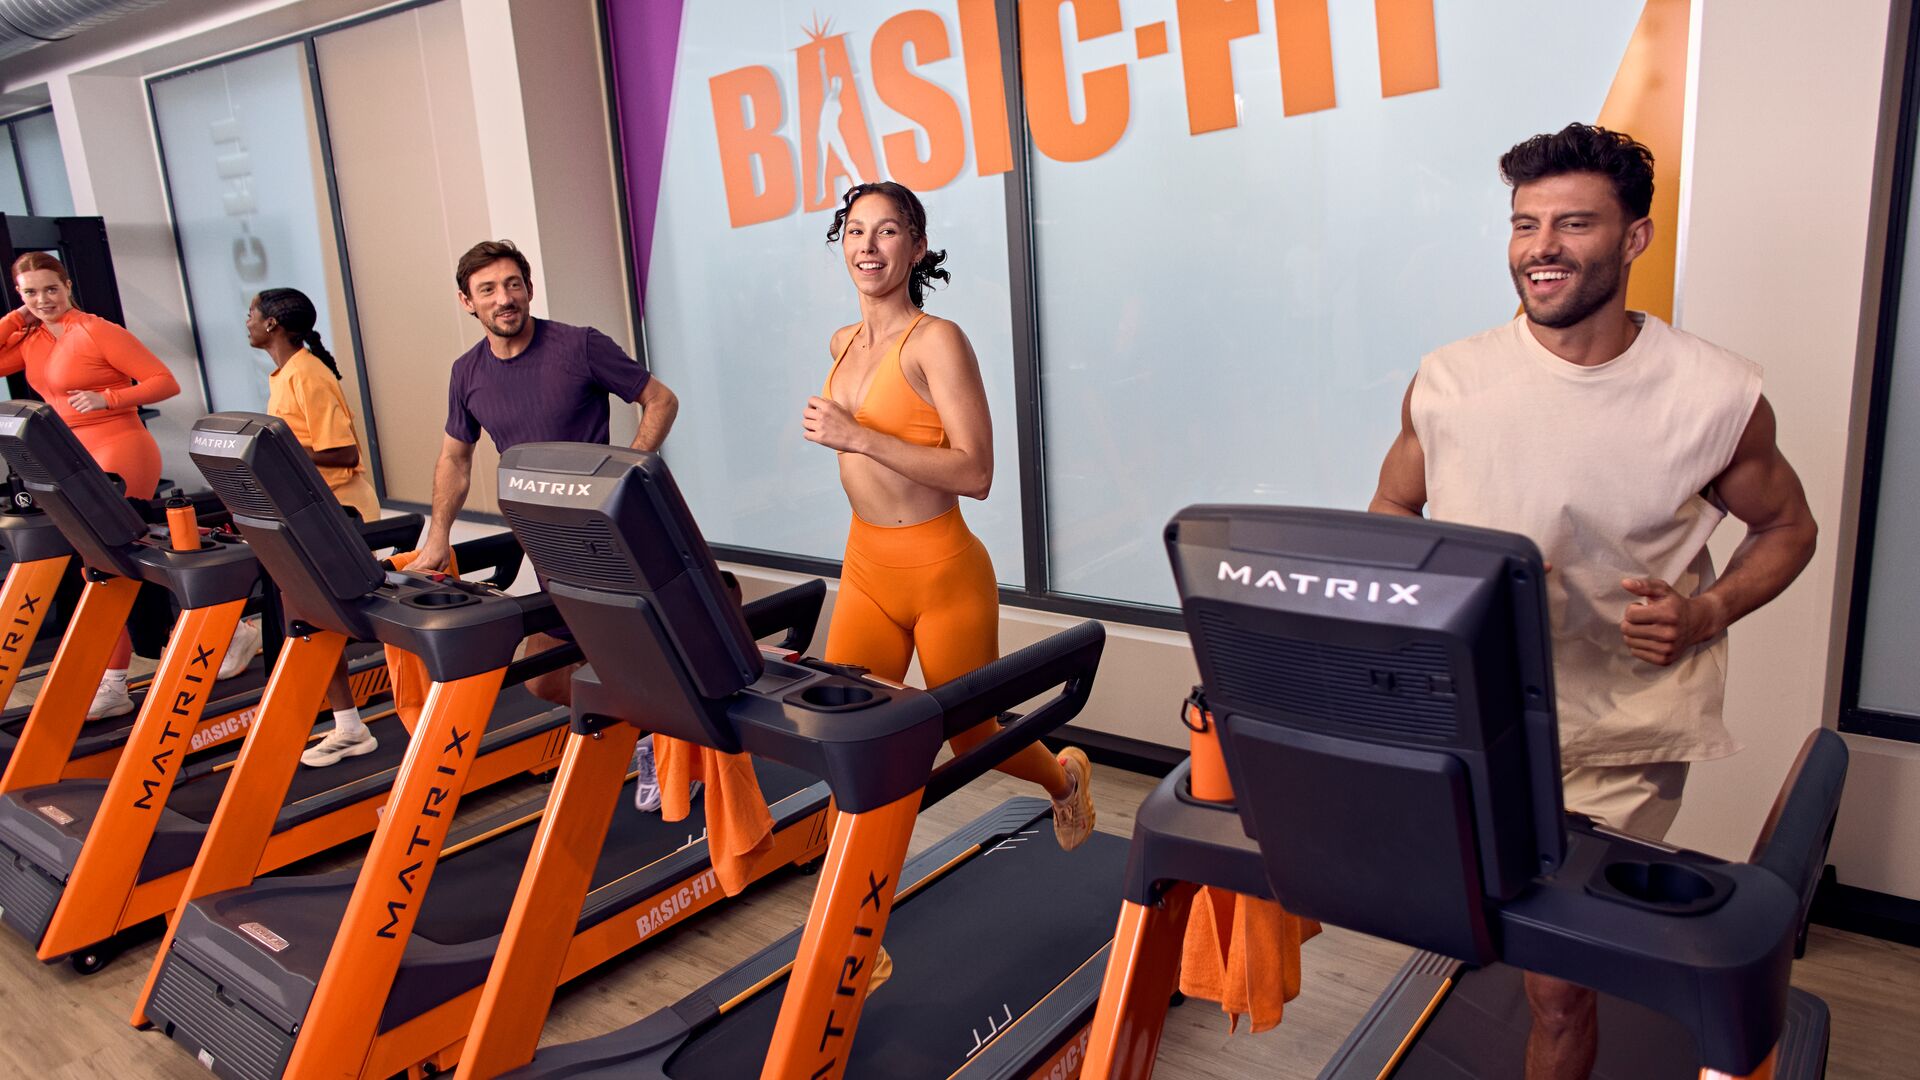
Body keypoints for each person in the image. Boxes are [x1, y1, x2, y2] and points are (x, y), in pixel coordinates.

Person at [1369, 123, 1817, 1080]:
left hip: (1620, 729)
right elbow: (1394, 505)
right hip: (1474, 718)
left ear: (1635, 239)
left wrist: (1706, 613)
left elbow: (1790, 529)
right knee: (1484, 929)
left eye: (1573, 223)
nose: (1542, 247)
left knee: (1557, 979)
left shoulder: (1715, 394)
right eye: (1526, 224)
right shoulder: (1449, 380)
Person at [802, 181, 1096, 853]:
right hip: (868, 568)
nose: (868, 246)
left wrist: (859, 437)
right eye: (855, 231)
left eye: (886, 231)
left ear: (917, 247)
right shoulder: (842, 343)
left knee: (974, 735)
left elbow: (977, 473)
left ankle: (1064, 778)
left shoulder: (937, 341)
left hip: (942, 572)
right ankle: (858, 945)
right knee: (846, 741)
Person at [413, 240, 678, 801]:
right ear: (468, 302)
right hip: (546, 545)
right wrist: (437, 537)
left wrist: (625, 478)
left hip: (610, 538)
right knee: (544, 678)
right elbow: (454, 459)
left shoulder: (579, 346)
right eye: (488, 290)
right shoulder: (467, 373)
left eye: (513, 285)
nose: (504, 298)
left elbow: (660, 400)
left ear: (529, 289)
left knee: (636, 654)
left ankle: (668, 745)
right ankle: (644, 731)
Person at [0, 252, 225, 719]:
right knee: (107, 565)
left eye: (50, 289)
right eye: (30, 293)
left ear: (67, 285)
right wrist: (18, 317)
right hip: (71, 454)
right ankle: (217, 629)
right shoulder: (33, 337)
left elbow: (165, 382)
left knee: (100, 567)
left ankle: (116, 682)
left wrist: (108, 397)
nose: (43, 299)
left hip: (120, 446)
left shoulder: (96, 330)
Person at [245, 287, 383, 766]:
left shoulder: (308, 374)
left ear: (273, 326)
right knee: (303, 622)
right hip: (309, 511)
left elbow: (344, 453)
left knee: (318, 623)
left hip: (342, 512)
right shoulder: (285, 373)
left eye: (252, 314)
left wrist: (272, 451)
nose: (246, 321)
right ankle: (348, 726)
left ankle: (369, 721)